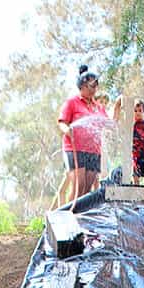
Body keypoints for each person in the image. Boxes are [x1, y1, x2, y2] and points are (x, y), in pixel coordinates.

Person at [57, 65, 109, 203]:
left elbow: (107, 123)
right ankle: (69, 216)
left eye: (95, 86)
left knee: (87, 189)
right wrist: (67, 130)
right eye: (91, 86)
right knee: (78, 187)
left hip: (93, 150)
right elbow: (62, 122)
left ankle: (81, 218)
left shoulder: (98, 107)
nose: (94, 89)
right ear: (82, 86)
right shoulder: (72, 103)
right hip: (75, 149)